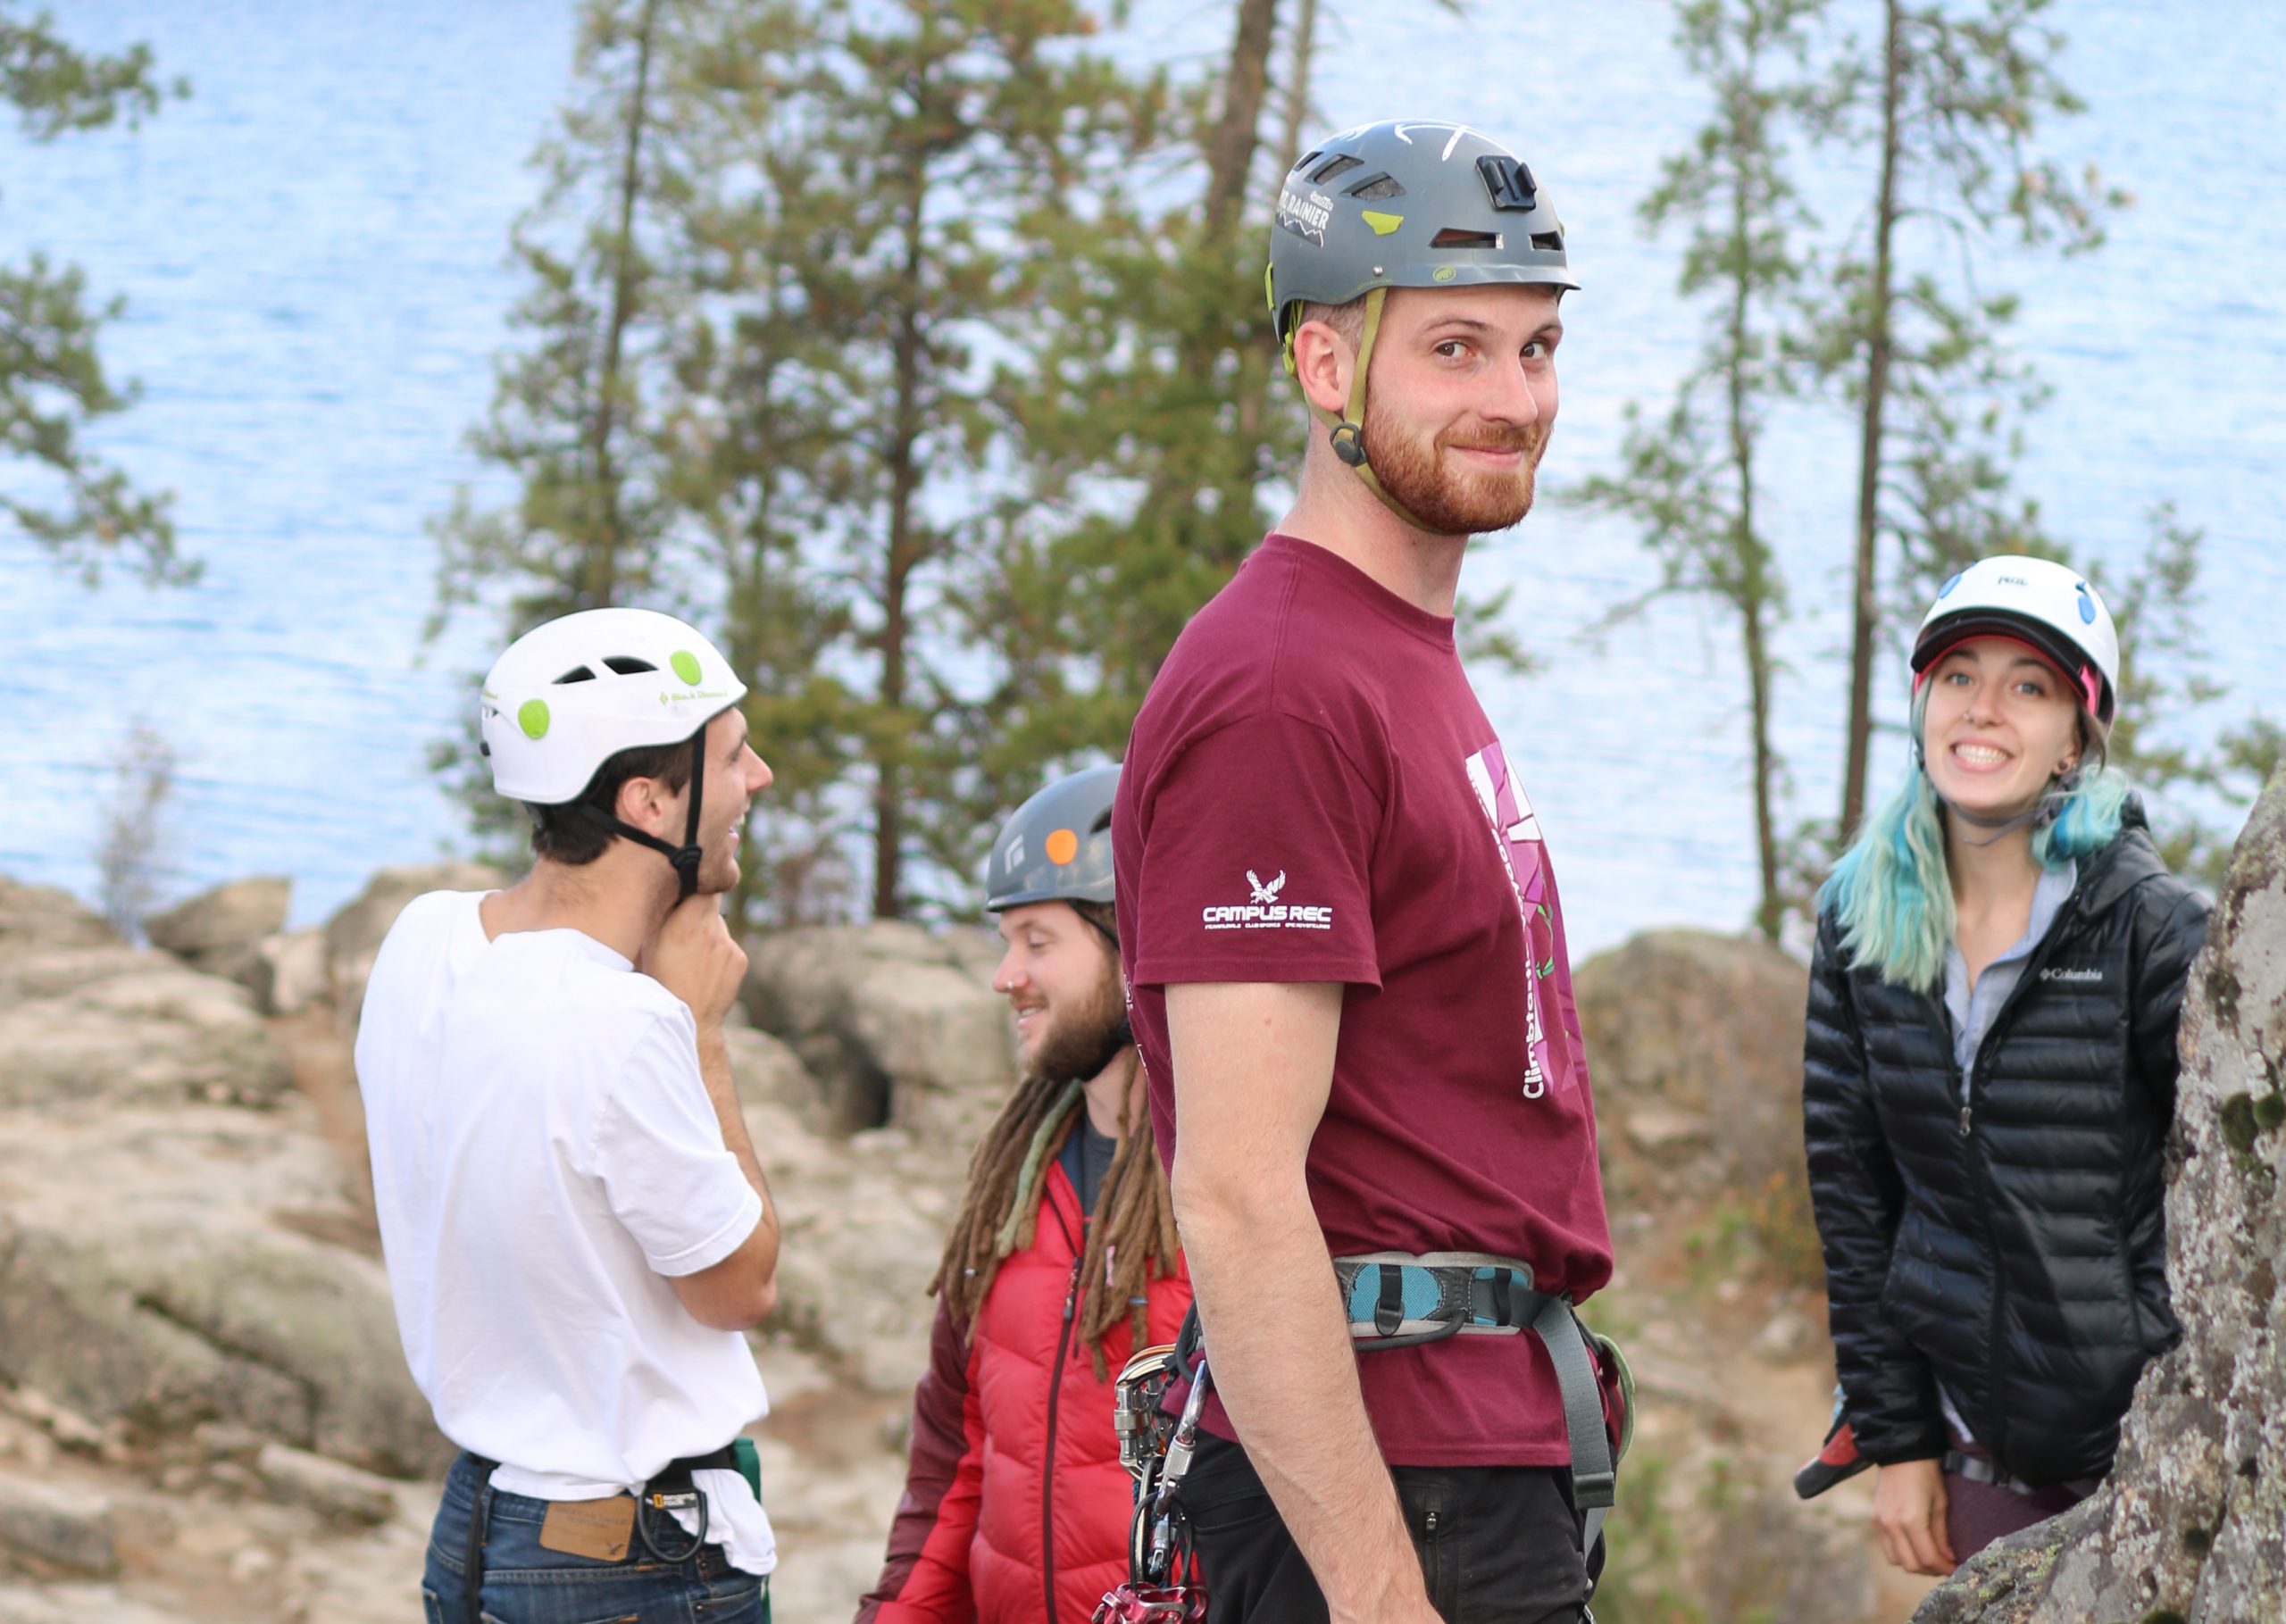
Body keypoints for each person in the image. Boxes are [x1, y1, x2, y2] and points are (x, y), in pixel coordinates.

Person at [1111, 121, 1622, 1624]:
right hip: (1397, 1495)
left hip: (1478, 1452)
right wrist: (1382, 1594)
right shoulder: (1282, 687)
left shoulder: (1391, 654)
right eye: (1455, 348)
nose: (1513, 399)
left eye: (1535, 350)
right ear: (1326, 368)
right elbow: (1239, 1185)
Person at [356, 607, 782, 1623]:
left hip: (484, 1523)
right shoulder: (629, 1025)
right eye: (730, 755)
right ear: (647, 798)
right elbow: (739, 1286)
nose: (757, 778)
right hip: (630, 1558)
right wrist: (701, 1037)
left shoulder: (424, 940)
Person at [1803, 556, 2210, 1576]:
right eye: (1957, 676)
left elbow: (2218, 1186)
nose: (1983, 710)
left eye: (2027, 684)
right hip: (1971, 1448)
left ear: (2076, 732)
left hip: (2140, 1448)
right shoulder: (1859, 924)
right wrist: (1899, 1442)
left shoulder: (2150, 929)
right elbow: (1856, 1207)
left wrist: (2147, 1359)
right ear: (1920, 703)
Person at [858, 764, 1192, 1624]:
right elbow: (954, 1468)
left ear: (1136, 944)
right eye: (1006, 941)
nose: (1007, 975)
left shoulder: (1225, 1186)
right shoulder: (1010, 1186)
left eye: (1038, 942)